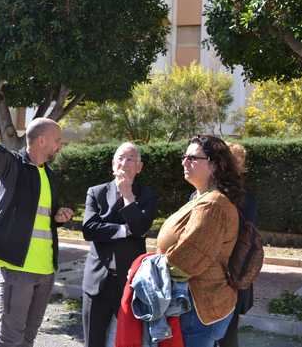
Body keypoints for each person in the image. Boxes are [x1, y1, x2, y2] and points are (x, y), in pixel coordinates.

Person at [0, 92, 74, 347]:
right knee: (10, 338)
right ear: (41, 141)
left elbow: (44, 217)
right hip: (18, 268)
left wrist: (58, 216)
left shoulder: (50, 175)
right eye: (57, 140)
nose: (59, 145)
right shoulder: (13, 167)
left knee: (28, 338)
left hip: (46, 270)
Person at [156, 135, 243, 347]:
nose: (184, 162)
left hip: (199, 306)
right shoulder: (201, 197)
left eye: (193, 158)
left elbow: (187, 260)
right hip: (195, 303)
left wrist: (149, 267)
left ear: (214, 165)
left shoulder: (212, 205)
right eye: (184, 156)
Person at [81, 142, 158, 347]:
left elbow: (140, 228)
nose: (124, 163)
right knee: (93, 340)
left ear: (139, 167)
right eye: (120, 158)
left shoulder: (147, 195)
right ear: (113, 164)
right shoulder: (96, 192)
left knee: (128, 341)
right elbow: (89, 229)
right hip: (97, 281)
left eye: (131, 158)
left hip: (129, 282)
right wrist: (124, 230)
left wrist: (127, 197)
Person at [217, 143, 256, 347]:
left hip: (229, 274)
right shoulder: (209, 194)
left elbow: (245, 238)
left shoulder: (243, 198)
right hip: (226, 274)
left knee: (227, 332)